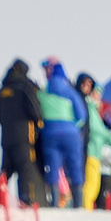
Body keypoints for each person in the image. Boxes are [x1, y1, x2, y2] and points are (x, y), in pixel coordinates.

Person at [0, 60, 44, 206]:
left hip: (6, 139)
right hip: (24, 137)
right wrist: (39, 121)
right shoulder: (25, 88)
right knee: (25, 169)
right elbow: (35, 111)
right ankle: (25, 200)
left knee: (5, 171)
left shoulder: (1, 91)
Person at [35, 59, 87, 207]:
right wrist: (72, 126)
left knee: (52, 167)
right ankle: (78, 204)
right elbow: (82, 116)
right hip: (71, 134)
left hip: (49, 133)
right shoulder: (70, 92)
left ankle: (54, 203)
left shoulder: (42, 93)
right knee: (75, 166)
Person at [77, 74, 111, 209]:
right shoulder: (89, 108)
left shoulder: (93, 108)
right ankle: (84, 210)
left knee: (95, 185)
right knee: (91, 184)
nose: (99, 97)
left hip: (95, 151)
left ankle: (86, 208)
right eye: (97, 93)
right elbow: (98, 131)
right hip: (91, 150)